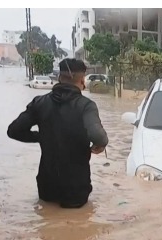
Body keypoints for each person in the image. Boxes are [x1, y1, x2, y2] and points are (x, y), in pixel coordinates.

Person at [7, 58, 108, 209]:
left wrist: (42, 136)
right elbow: (99, 136)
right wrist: (100, 145)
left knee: (46, 224)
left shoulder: (39, 102)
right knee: (78, 226)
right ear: (82, 80)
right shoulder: (86, 105)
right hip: (76, 187)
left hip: (47, 185)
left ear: (59, 78)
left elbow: (14, 130)